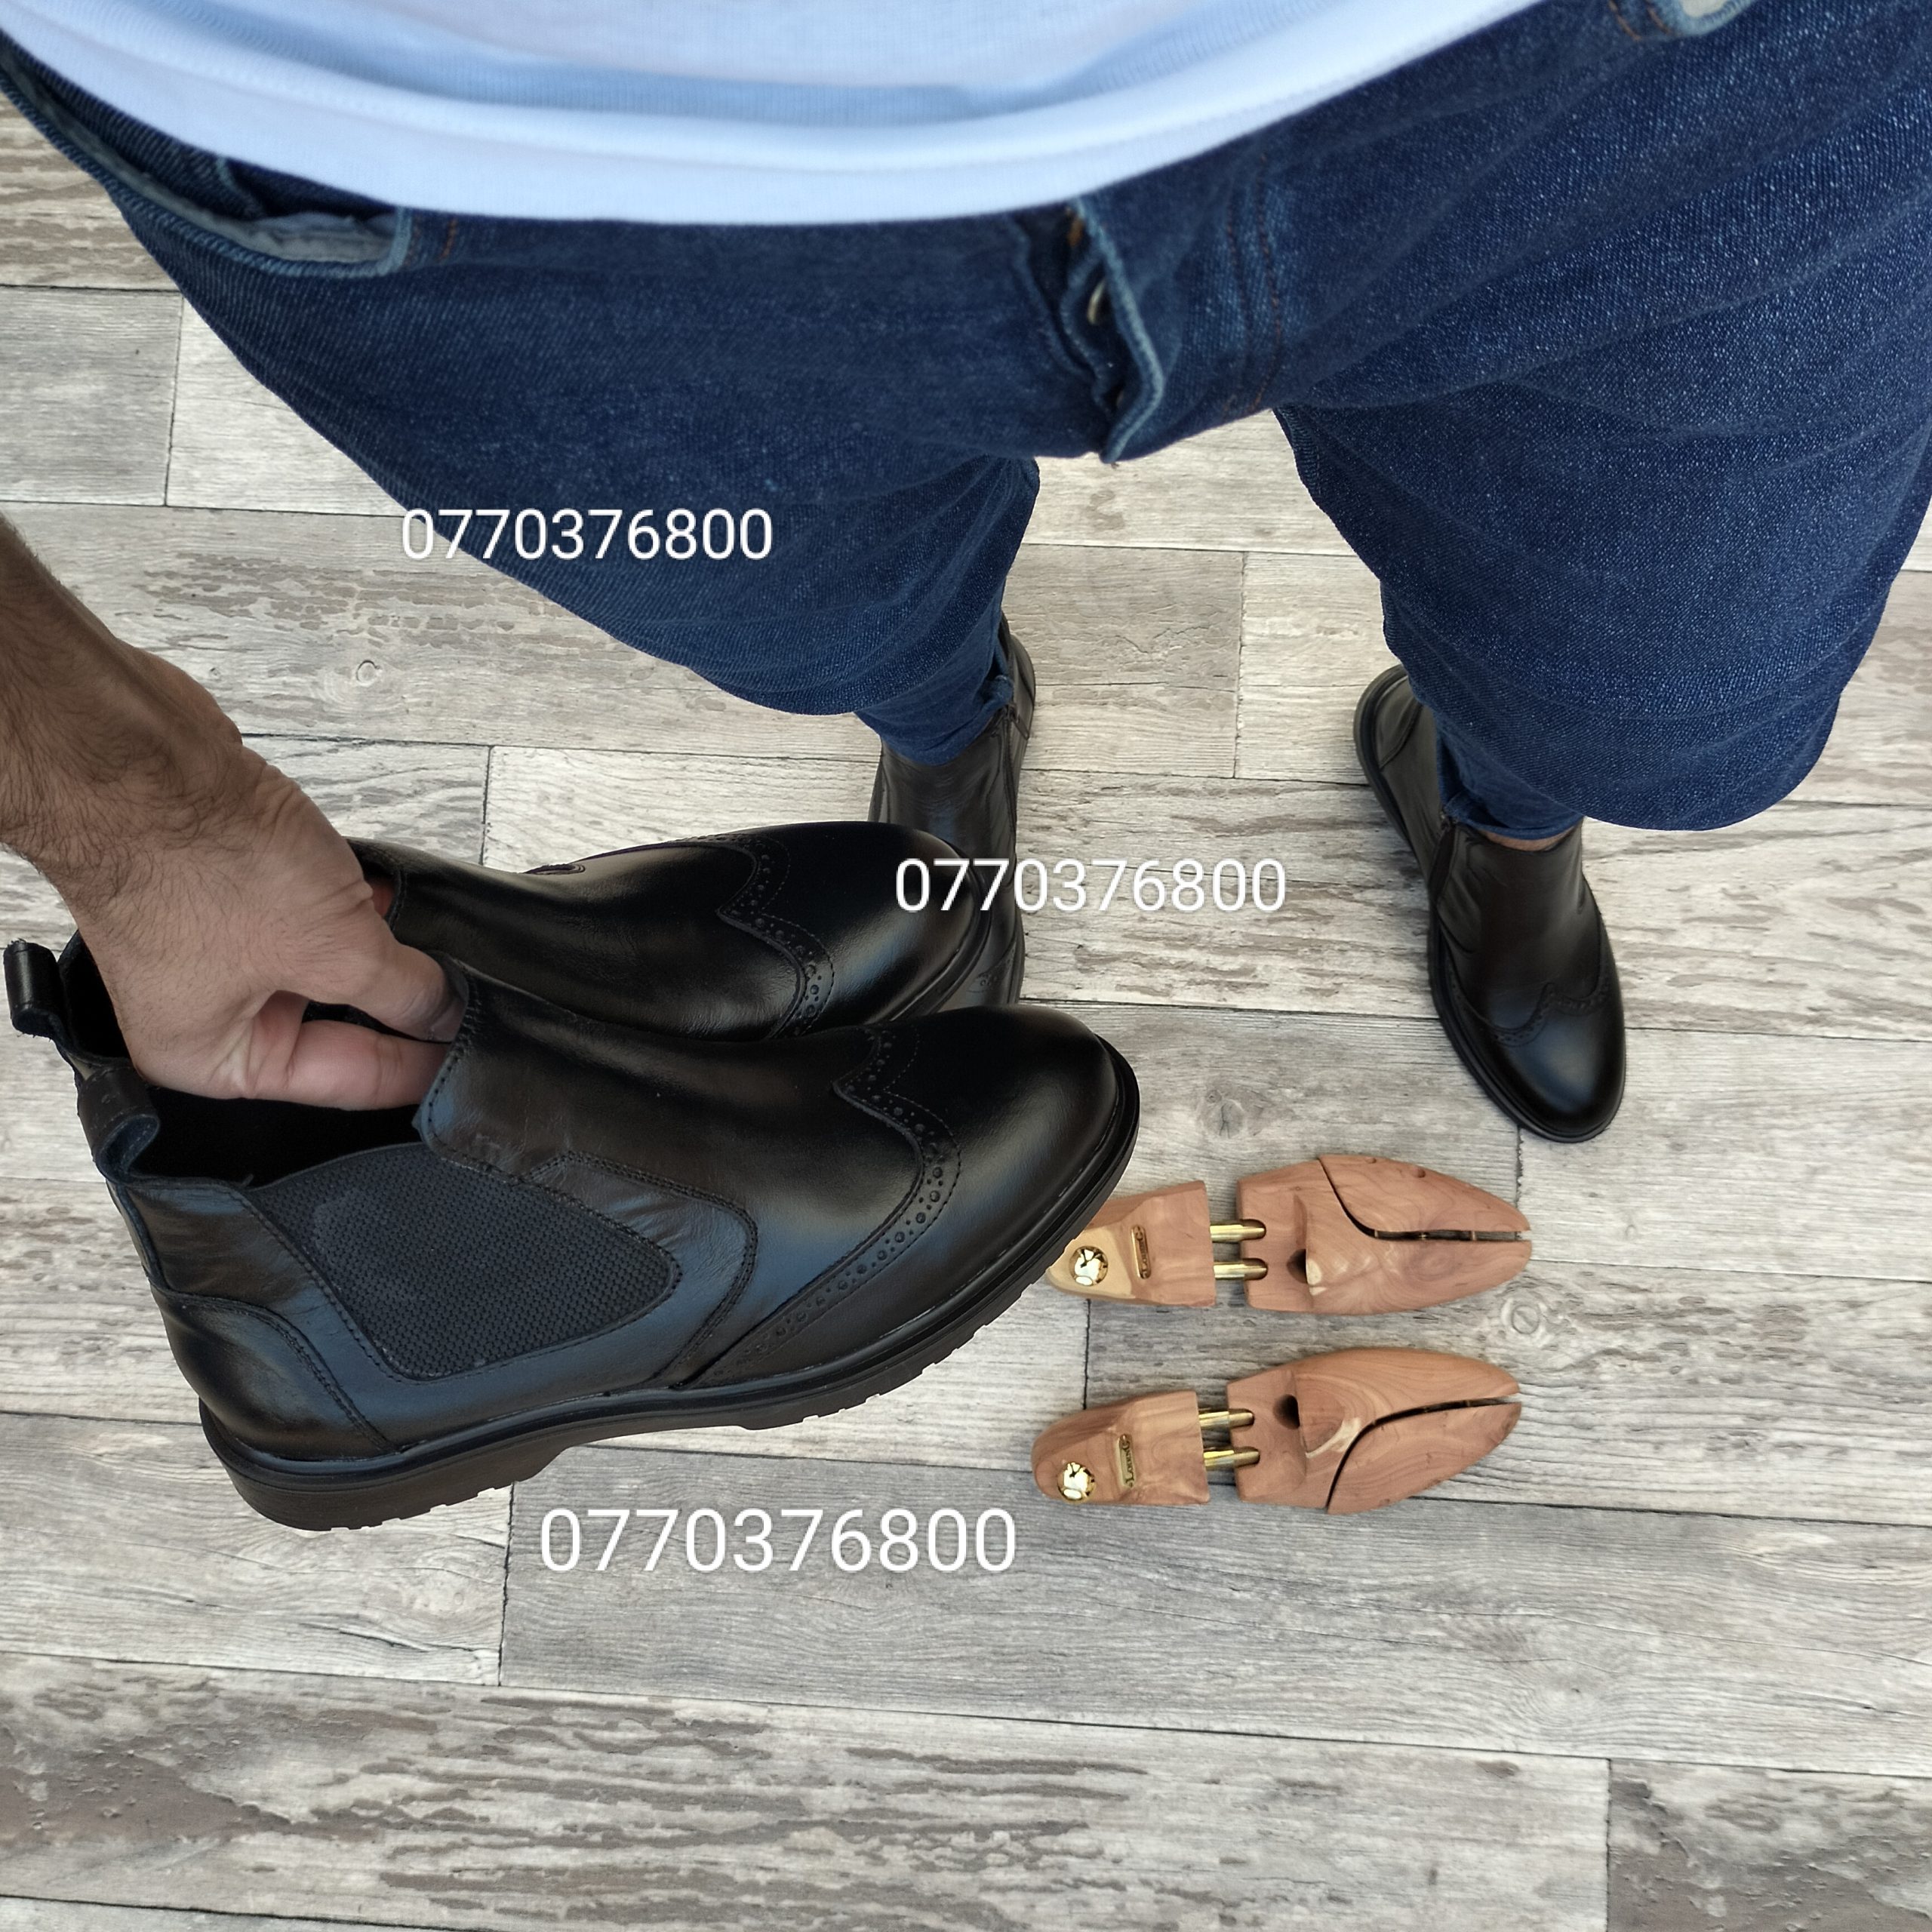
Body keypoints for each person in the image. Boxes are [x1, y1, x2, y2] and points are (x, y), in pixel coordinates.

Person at [3, 0, 1927, 1143]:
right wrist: (139, 812)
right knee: (813, 619)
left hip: (1655, 88)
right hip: (475, 170)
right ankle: (949, 729)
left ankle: (1505, 808)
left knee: (1670, 710)